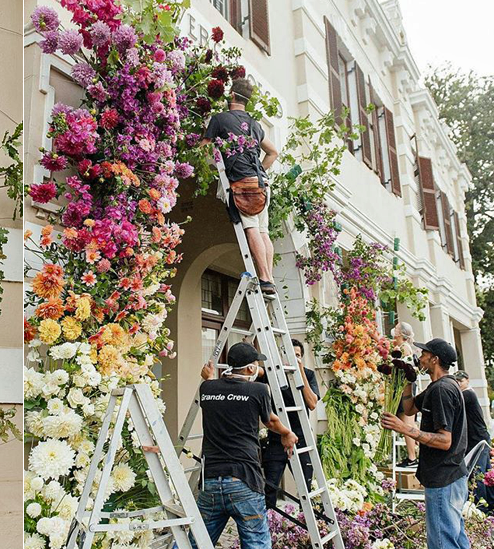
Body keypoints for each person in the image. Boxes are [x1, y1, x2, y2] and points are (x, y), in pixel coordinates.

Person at [198, 342, 297, 548]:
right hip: (244, 480)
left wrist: (207, 376)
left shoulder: (207, 387)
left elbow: (220, 393)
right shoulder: (259, 389)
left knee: (196, 542)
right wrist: (287, 433)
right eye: (255, 365)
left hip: (211, 482)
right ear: (251, 369)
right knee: (256, 544)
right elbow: (270, 421)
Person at [381, 338, 469, 549]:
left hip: (444, 478)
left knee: (442, 542)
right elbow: (410, 408)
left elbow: (444, 441)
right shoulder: (437, 387)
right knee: (456, 538)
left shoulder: (442, 390)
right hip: (451, 474)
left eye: (424, 354)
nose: (420, 357)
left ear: (434, 359)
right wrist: (405, 381)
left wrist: (403, 428)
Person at [202, 78, 280, 294]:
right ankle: (269, 278)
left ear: (232, 95)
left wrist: (205, 133)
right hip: (262, 183)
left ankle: (264, 277)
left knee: (252, 228)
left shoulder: (220, 119)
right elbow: (273, 152)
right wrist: (261, 171)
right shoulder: (255, 124)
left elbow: (203, 148)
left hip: (243, 183)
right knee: (263, 230)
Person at [257, 338, 319, 510]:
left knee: (306, 488)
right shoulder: (273, 374)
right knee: (269, 487)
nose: (293, 359)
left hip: (301, 437)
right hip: (277, 437)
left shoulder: (309, 374)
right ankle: (267, 529)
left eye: (297, 355)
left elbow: (312, 403)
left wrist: (299, 372)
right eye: (289, 355)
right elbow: (256, 374)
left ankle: (306, 526)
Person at [453, 371, 492, 509]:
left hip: (479, 441)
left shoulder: (468, 394)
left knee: (477, 475)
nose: (458, 384)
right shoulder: (466, 394)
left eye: (460, 381)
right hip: (478, 440)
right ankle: (491, 505)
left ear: (467, 381)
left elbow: (452, 401)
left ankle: (480, 508)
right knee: (487, 476)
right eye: (456, 381)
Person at [392, 322, 421, 469]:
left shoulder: (404, 348)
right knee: (407, 421)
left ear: (401, 333)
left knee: (407, 422)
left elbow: (404, 370)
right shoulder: (402, 347)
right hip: (402, 387)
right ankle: (413, 454)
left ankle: (412, 457)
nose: (394, 330)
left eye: (396, 328)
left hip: (404, 388)